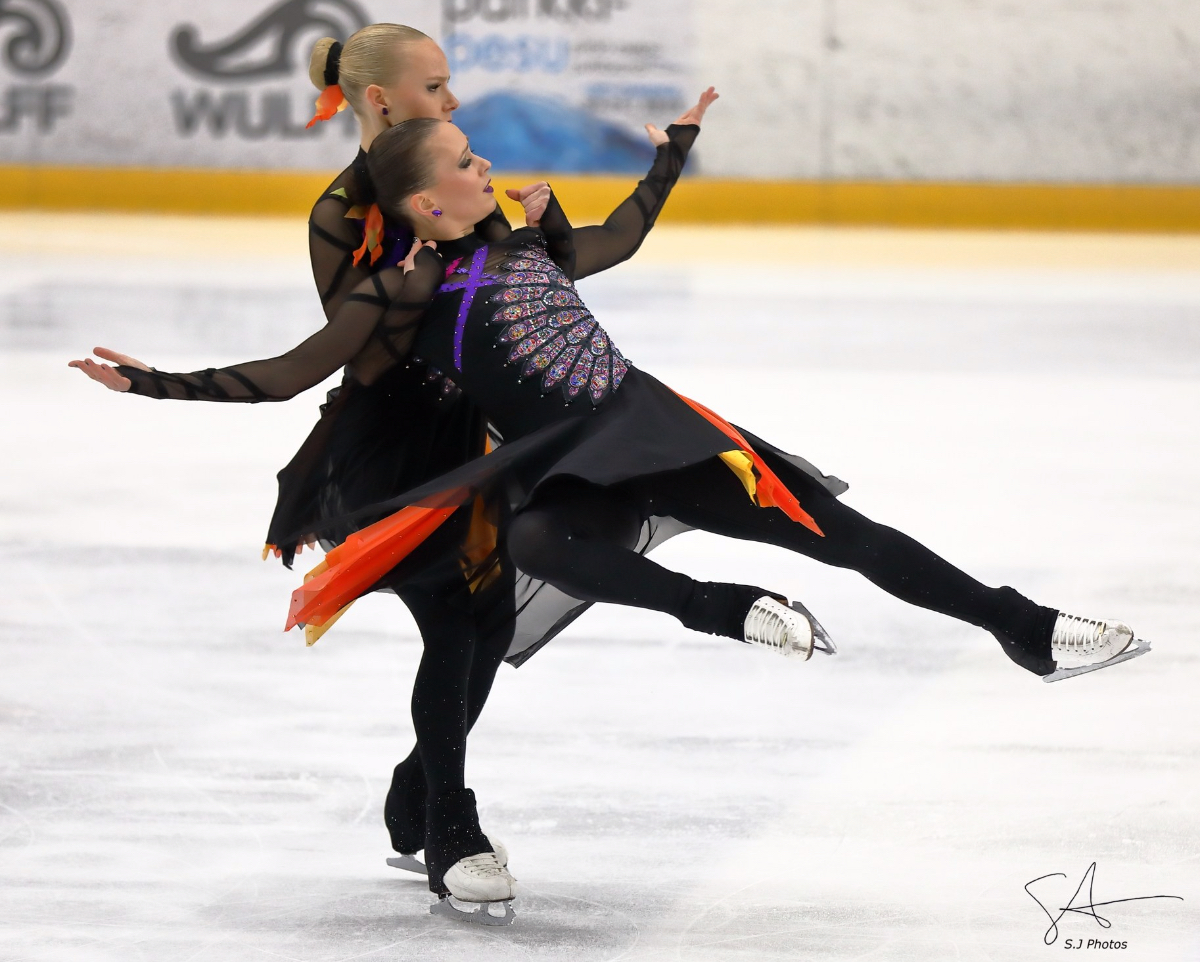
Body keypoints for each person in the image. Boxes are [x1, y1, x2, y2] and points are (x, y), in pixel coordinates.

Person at [71, 110, 1149, 914]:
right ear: (426, 206)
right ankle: (717, 608)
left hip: (655, 424)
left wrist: (671, 153)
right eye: (464, 164)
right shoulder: (402, 294)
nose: (484, 168)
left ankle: (1022, 625)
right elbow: (285, 372)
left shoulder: (528, 242)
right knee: (536, 539)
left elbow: (624, 236)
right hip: (563, 467)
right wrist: (152, 382)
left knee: (839, 532)